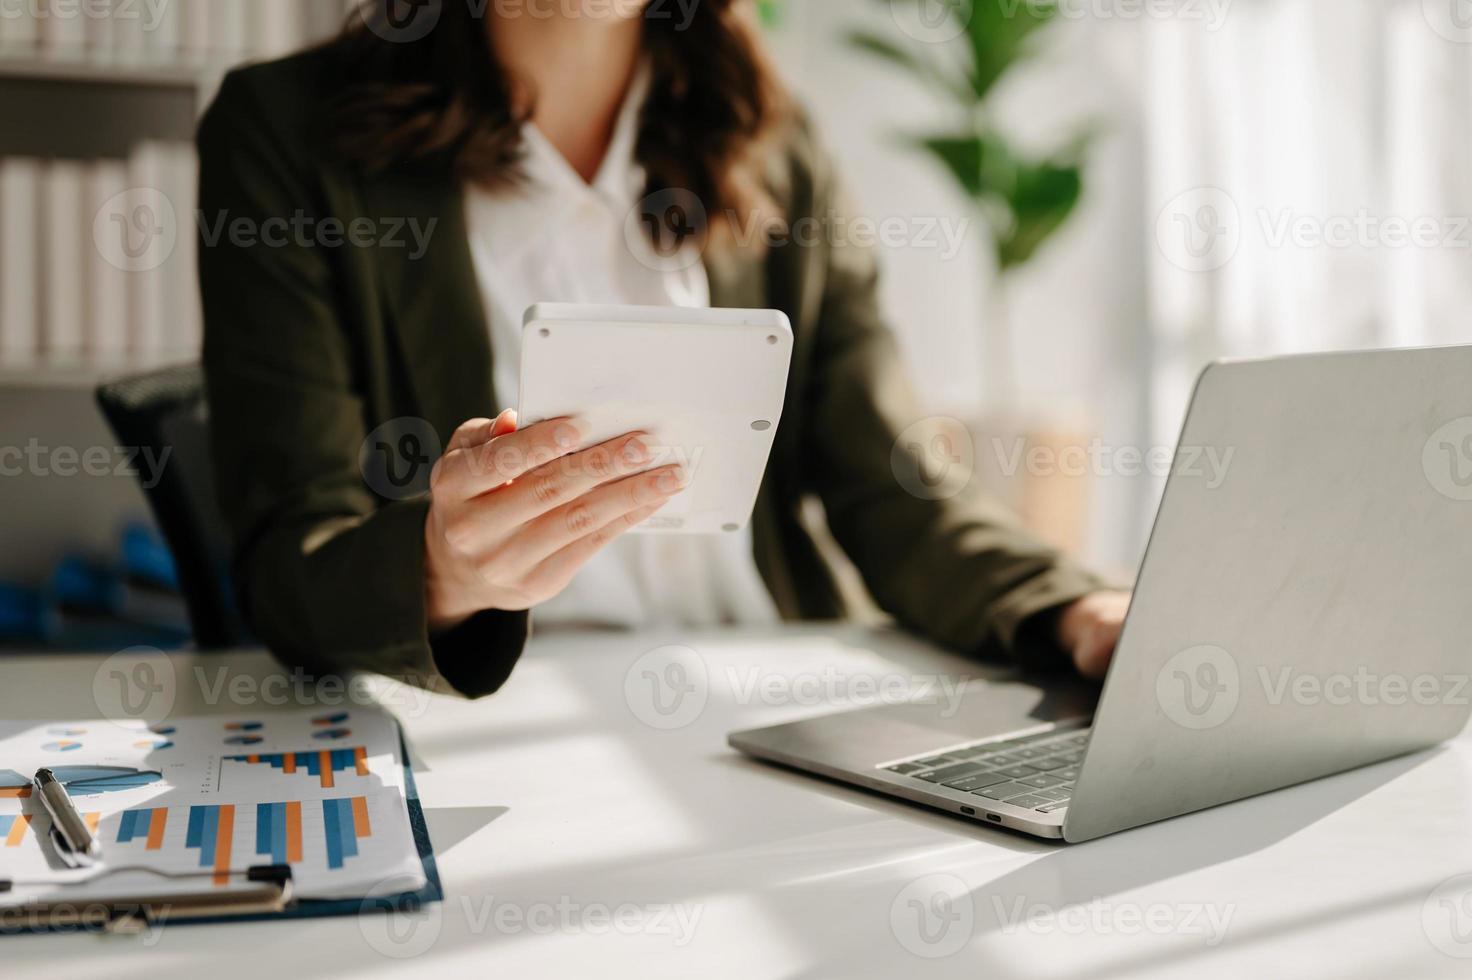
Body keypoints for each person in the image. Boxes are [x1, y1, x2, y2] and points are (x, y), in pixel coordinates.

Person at [196, 0, 1129, 698]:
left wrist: (1069, 607)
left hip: (770, 703)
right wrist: (445, 569)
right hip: (498, 724)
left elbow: (892, 483)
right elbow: (291, 562)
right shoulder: (284, 135)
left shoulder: (773, 141)